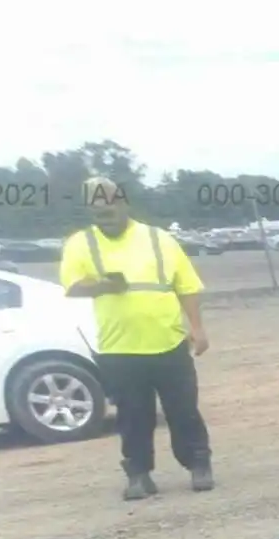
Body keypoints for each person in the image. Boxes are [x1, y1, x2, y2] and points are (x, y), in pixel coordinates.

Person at [58, 177, 213, 501]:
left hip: (169, 344)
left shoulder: (159, 239)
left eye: (110, 204)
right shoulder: (80, 244)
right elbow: (71, 286)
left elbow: (187, 285)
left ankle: (199, 465)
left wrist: (197, 329)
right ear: (90, 210)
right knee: (132, 416)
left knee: (184, 411)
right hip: (119, 349)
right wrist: (101, 286)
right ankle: (139, 475)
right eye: (97, 208)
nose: (105, 212)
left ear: (124, 203)